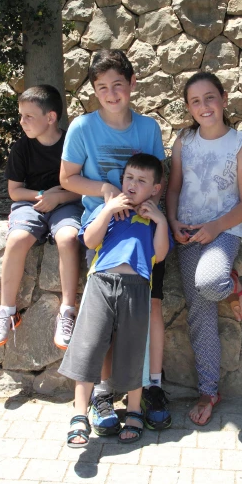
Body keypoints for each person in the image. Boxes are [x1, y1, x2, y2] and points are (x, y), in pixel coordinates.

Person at [59, 49, 172, 432]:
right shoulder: (81, 128)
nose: (111, 94)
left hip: (143, 233)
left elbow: (158, 180)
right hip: (104, 230)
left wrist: (151, 214)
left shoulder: (148, 128)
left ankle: (149, 387)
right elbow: (68, 178)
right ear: (94, 90)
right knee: (101, 322)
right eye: (102, 87)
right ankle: (102, 393)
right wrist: (107, 192)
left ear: (132, 84)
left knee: (148, 311)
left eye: (118, 86)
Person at [60, 154, 172, 447]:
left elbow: (159, 255)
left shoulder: (153, 220)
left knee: (133, 349)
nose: (133, 185)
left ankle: (134, 411)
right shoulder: (109, 211)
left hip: (137, 287)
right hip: (101, 283)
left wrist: (159, 219)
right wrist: (108, 209)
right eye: (129, 178)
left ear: (155, 188)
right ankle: (79, 415)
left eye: (142, 181)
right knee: (89, 344)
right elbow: (89, 241)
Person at [165, 72, 242, 427]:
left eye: (210, 97)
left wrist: (216, 227)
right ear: (189, 108)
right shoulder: (184, 142)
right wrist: (173, 223)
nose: (204, 106)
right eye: (195, 101)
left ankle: (232, 286)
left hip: (222, 232)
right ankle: (208, 391)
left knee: (210, 282)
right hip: (187, 233)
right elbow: (173, 189)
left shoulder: (240, 145)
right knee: (199, 313)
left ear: (223, 97)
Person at [0, 85, 83, 350]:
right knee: (16, 239)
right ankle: (7, 312)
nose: (22, 122)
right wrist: (42, 195)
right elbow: (14, 191)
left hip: (67, 203)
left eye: (29, 116)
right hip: (32, 203)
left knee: (68, 238)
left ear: (50, 118)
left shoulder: (72, 144)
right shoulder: (21, 149)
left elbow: (85, 187)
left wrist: (60, 197)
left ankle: (67, 312)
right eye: (21, 116)